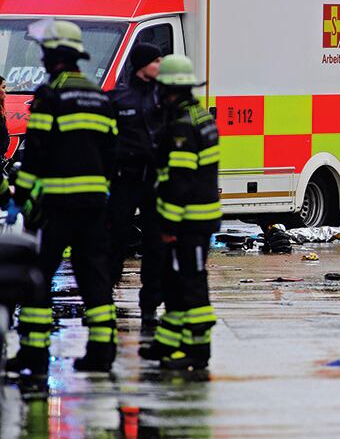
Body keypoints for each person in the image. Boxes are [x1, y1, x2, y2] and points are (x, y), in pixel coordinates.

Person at [7, 20, 118, 376]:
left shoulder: (49, 96)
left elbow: (35, 155)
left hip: (56, 208)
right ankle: (102, 352)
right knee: (95, 279)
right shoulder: (98, 96)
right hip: (94, 207)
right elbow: (111, 154)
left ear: (53, 55)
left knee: (38, 277)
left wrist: (24, 197)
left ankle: (34, 355)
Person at [138, 54, 220, 371]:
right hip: (194, 218)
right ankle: (169, 343)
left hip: (189, 221)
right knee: (172, 280)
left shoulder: (183, 127)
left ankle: (199, 351)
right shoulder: (201, 118)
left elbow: (180, 181)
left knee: (190, 281)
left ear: (171, 91)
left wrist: (169, 223)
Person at [108, 43, 165, 329]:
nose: (161, 64)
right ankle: (105, 297)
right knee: (116, 239)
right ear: (143, 64)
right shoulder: (118, 98)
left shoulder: (162, 97)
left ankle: (149, 306)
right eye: (156, 60)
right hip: (124, 180)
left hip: (154, 182)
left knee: (154, 245)